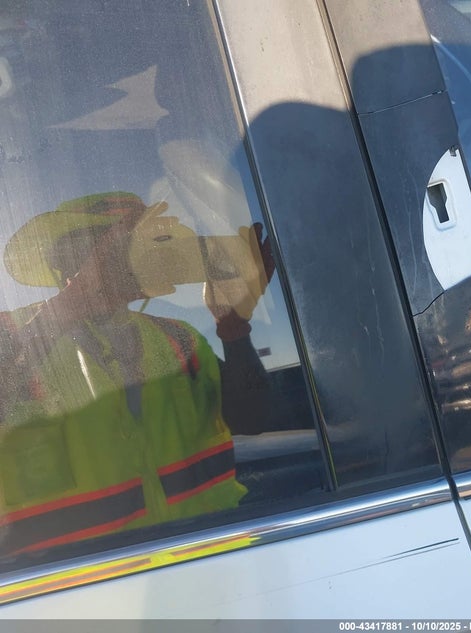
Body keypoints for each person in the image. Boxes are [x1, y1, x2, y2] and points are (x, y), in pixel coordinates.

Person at [0, 192, 275, 555]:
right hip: (77, 580)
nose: (142, 254)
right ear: (69, 259)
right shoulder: (13, 334)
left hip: (214, 554)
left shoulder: (177, 338)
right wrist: (64, 310)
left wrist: (233, 328)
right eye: (123, 244)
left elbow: (253, 419)